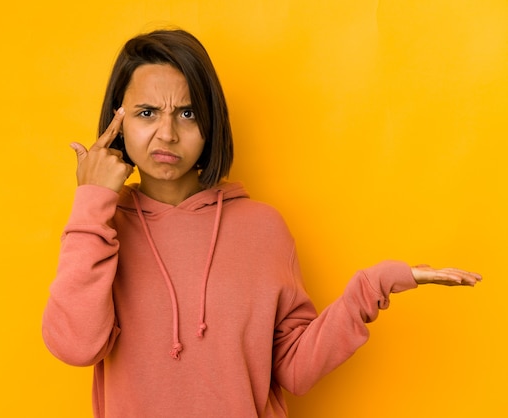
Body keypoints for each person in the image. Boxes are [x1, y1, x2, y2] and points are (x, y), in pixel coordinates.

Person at [42, 29, 481, 418]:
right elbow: (76, 346)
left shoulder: (261, 227)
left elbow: (293, 368)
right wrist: (92, 202)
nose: (168, 134)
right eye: (147, 113)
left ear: (211, 124)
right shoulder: (100, 228)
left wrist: (371, 287)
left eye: (188, 113)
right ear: (117, 124)